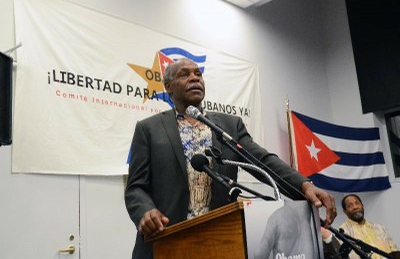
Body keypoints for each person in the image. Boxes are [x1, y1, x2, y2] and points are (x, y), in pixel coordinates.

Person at [124, 58, 337, 259]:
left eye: (198, 74)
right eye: (184, 74)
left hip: (221, 240)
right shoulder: (149, 129)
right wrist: (145, 211)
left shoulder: (228, 126)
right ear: (169, 87)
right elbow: (135, 187)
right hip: (166, 240)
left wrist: (303, 185)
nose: (194, 78)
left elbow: (262, 161)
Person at [339, 194, 399, 259]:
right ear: (345, 211)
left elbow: (395, 251)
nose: (355, 207)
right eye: (350, 206)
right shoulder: (343, 232)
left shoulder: (380, 228)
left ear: (362, 206)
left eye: (357, 203)